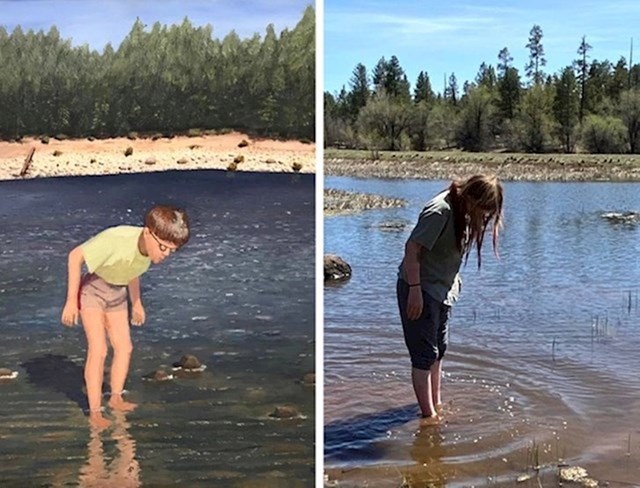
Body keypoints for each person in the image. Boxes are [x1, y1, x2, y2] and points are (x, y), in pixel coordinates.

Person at [61, 205, 190, 429]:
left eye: (171, 251)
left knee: (124, 347)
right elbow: (75, 257)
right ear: (149, 232)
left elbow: (132, 272)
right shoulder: (116, 238)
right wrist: (71, 302)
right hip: (93, 291)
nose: (165, 254)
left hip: (118, 293)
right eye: (163, 247)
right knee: (99, 349)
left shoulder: (148, 251)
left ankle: (116, 397)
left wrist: (137, 303)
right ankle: (94, 411)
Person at [397, 175, 503, 421]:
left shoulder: (460, 210)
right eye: (483, 212)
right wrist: (414, 290)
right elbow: (412, 249)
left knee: (438, 351)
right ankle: (428, 417)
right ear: (472, 199)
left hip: (442, 290)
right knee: (424, 354)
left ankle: (436, 403)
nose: (484, 219)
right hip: (420, 288)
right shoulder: (440, 210)